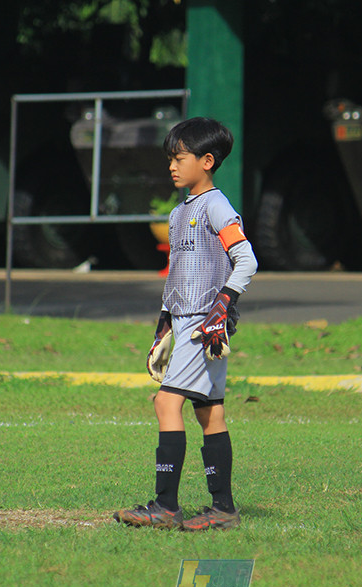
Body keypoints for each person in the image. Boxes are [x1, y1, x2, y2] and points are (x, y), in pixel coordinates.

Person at [114, 117, 258, 531]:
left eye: (180, 158)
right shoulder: (180, 213)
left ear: (207, 160)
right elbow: (180, 272)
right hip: (187, 322)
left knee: (165, 402)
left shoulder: (215, 205)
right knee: (209, 413)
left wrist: (224, 303)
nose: (172, 167)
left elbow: (246, 259)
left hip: (204, 325)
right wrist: (164, 323)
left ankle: (165, 505)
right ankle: (223, 508)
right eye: (170, 159)